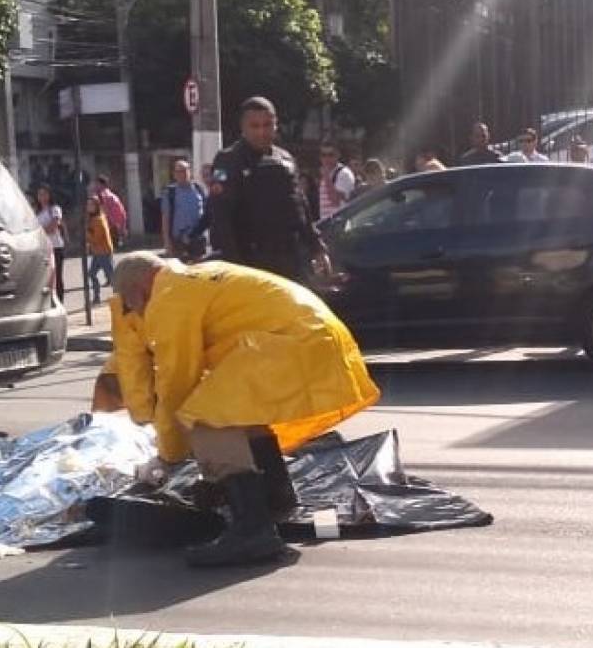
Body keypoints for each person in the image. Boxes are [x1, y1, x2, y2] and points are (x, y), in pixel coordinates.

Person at [107, 252, 380, 567]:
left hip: (290, 342)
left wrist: (168, 456)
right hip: (313, 337)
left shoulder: (170, 300)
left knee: (204, 416)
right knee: (236, 408)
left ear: (140, 289)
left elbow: (175, 382)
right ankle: (275, 497)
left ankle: (252, 530)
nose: (137, 313)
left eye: (132, 304)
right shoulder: (195, 277)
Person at [208, 96, 330, 282]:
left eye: (267, 125)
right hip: (251, 264)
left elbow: (301, 207)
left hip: (290, 261)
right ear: (243, 127)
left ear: (275, 124)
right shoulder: (229, 160)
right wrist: (235, 268)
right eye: (254, 126)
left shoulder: (286, 159)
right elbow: (220, 219)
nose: (261, 132)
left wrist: (317, 248)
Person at [160, 159, 207, 261]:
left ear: (190, 172)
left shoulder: (199, 189)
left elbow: (206, 214)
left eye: (184, 170)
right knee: (179, 273)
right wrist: (167, 242)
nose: (182, 174)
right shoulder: (170, 193)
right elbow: (165, 218)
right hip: (178, 241)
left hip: (197, 239)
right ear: (174, 174)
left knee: (199, 271)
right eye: (178, 171)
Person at [35, 185, 69, 298]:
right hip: (42, 248)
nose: (42, 197)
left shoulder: (54, 209)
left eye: (44, 194)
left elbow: (53, 227)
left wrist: (39, 231)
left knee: (57, 276)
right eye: (40, 194)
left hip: (55, 246)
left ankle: (60, 299)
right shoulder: (37, 212)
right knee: (44, 277)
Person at [86, 196, 115, 302]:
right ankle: (97, 297)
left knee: (111, 276)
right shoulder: (93, 219)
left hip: (103, 252)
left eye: (92, 205)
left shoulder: (98, 219)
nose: (89, 207)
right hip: (97, 252)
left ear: (97, 206)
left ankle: (120, 297)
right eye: (88, 205)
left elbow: (96, 238)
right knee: (91, 274)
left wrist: (87, 235)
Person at [318, 141, 356, 221]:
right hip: (327, 224)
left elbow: (335, 201)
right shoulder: (328, 173)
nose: (326, 158)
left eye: (330, 155)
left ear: (338, 155)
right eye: (323, 155)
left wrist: (326, 177)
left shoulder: (343, 174)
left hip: (339, 223)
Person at [94, 175, 128, 247]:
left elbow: (104, 211)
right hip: (117, 223)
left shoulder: (103, 195)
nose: (95, 186)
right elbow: (122, 211)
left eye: (96, 184)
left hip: (111, 225)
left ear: (101, 184)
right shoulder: (112, 195)